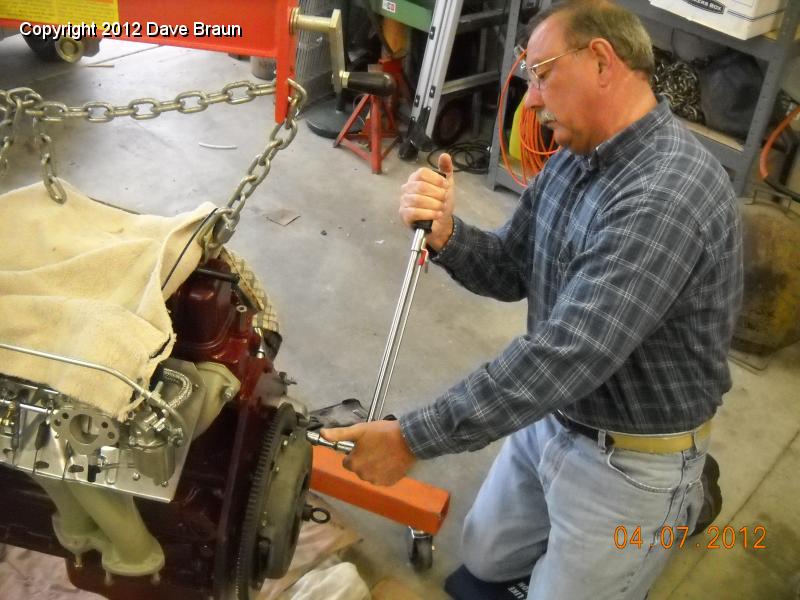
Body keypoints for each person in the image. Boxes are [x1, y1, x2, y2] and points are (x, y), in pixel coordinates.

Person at [322, 1, 743, 597]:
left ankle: (682, 498)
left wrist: (412, 439)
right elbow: (511, 267)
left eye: (541, 75)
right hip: (559, 418)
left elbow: (565, 355)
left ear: (601, 61)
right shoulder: (577, 158)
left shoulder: (665, 195)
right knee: (486, 559)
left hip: (632, 456)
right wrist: (447, 233)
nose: (532, 99)